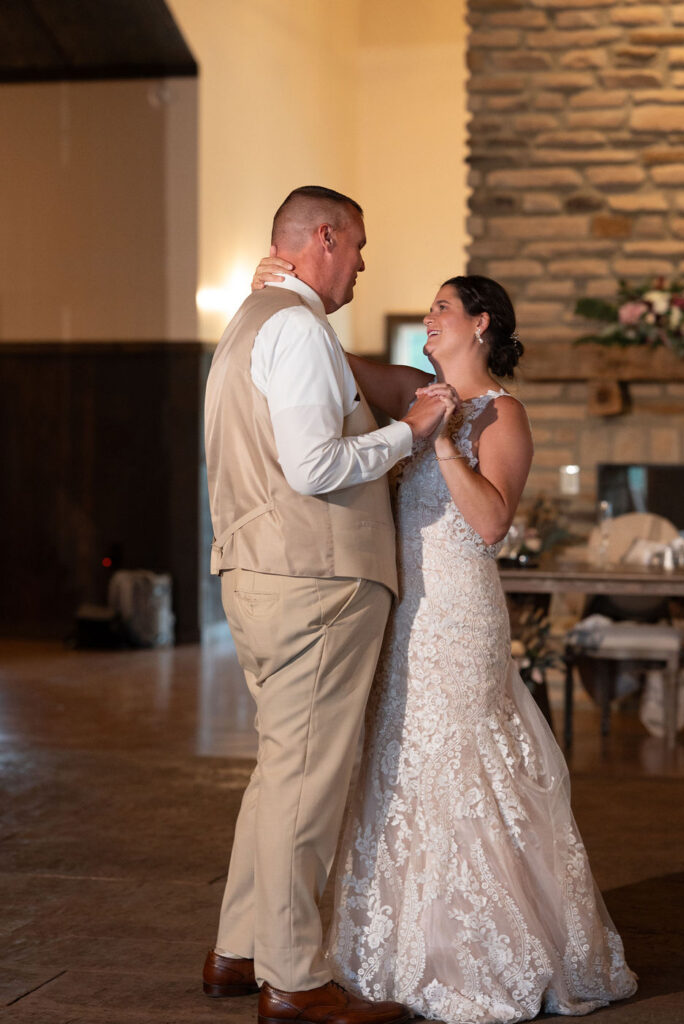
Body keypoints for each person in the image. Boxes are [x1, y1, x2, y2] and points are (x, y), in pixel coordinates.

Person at [251, 259, 639, 1023]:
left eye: (441, 309)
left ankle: (478, 948)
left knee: (462, 758)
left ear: (481, 323)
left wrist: (438, 444)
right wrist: (282, 290)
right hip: (403, 613)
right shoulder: (413, 391)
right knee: (397, 761)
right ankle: (395, 953)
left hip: (461, 612)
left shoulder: (503, 414)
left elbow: (492, 523)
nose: (429, 320)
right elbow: (338, 361)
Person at [203, 185, 449, 1024]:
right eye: (359, 247)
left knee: (282, 772)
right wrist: (407, 436)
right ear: (325, 236)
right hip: (316, 582)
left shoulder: (247, 325)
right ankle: (297, 980)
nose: (364, 264)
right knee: (307, 785)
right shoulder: (300, 330)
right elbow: (314, 467)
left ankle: (238, 950)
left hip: (258, 573)